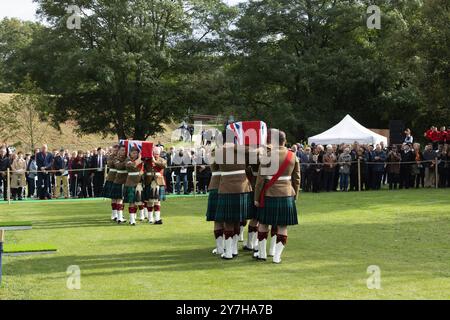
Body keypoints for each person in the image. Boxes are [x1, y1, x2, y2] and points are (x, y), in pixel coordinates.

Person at [253, 129, 300, 263]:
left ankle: (262, 254)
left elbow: (260, 180)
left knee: (263, 223)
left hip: (269, 194)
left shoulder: (267, 155)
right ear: (284, 141)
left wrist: (256, 198)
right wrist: (295, 196)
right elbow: (297, 179)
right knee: (282, 226)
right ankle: (277, 256)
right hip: (286, 194)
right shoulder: (293, 156)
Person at [215, 129, 253, 260]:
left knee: (229, 222)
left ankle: (229, 252)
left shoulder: (218, 151)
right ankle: (234, 249)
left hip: (226, 189)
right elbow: (255, 152)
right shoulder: (242, 150)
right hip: (242, 188)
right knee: (237, 220)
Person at [205, 146, 224, 255]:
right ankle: (225, 247)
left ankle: (220, 247)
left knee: (218, 220)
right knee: (226, 220)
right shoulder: (222, 154)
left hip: (215, 186)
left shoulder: (213, 153)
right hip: (224, 186)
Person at [143, 146, 167, 224]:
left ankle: (157, 218)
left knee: (158, 201)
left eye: (157, 153)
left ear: (159, 154)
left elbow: (163, 165)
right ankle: (150, 218)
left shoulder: (162, 160)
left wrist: (155, 161)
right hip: (149, 182)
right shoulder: (147, 161)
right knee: (149, 201)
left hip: (159, 182)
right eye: (154, 153)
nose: (155, 155)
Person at [123, 147, 144, 226]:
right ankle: (132, 220)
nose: (135, 154)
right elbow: (133, 165)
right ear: (130, 153)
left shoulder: (141, 160)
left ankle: (141, 215)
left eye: (136, 153)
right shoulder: (127, 160)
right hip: (130, 183)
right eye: (133, 153)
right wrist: (140, 158)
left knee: (139, 201)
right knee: (131, 202)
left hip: (139, 183)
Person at [111, 145, 128, 224]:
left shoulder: (127, 159)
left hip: (126, 181)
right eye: (121, 150)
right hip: (118, 181)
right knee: (119, 199)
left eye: (124, 150)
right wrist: (127, 161)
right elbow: (119, 166)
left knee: (121, 200)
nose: (123, 152)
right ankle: (119, 217)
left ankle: (120, 216)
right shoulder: (115, 159)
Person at [103, 145, 119, 221]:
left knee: (119, 197)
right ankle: (114, 214)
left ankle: (119, 214)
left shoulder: (121, 157)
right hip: (112, 178)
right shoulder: (110, 157)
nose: (115, 152)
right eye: (114, 150)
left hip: (119, 178)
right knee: (113, 197)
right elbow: (110, 164)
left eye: (116, 150)